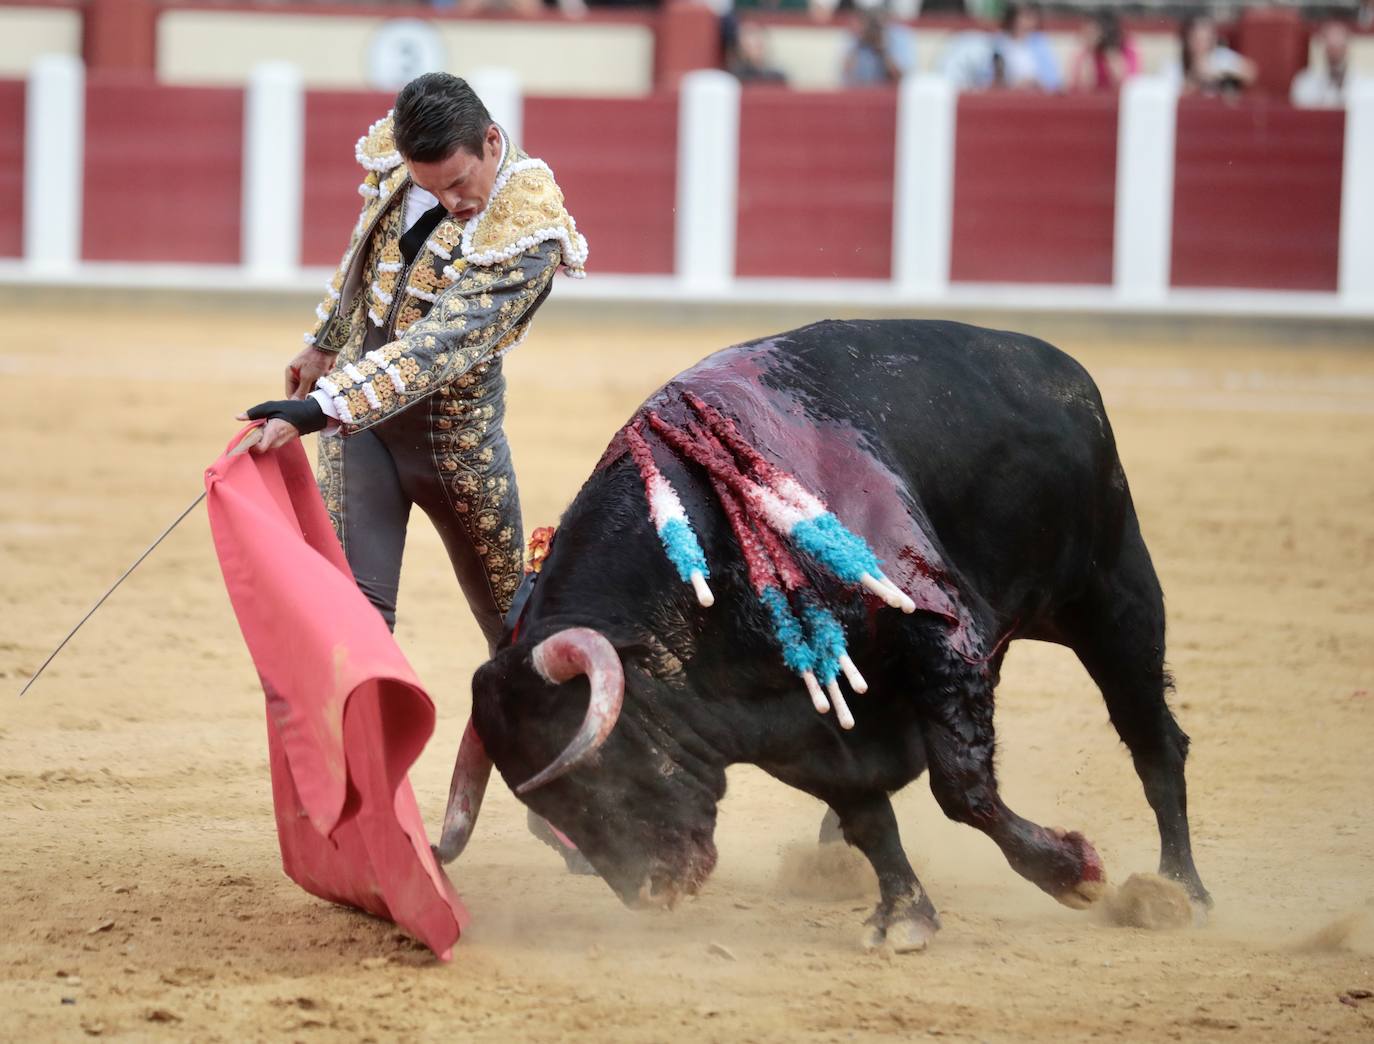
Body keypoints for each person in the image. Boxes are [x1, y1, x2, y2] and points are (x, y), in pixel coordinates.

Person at [240, 73, 588, 652]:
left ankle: (557, 741)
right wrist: (327, 339)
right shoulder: (409, 166)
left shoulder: (529, 228)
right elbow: (367, 242)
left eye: (460, 182)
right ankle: (353, 747)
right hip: (359, 429)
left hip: (454, 443)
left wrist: (320, 406)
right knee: (351, 620)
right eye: (435, 187)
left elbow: (441, 346)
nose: (455, 202)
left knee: (517, 631)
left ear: (492, 143)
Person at [1173, 14, 1256, 96]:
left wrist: (1218, 75)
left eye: (1205, 39)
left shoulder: (1221, 57)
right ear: (1187, 39)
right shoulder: (1177, 64)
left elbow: (1249, 73)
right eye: (1197, 39)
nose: (1201, 44)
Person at [991, 3, 1061, 91]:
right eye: (1025, 17)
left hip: (1037, 94)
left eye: (1032, 18)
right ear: (1013, 18)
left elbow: (1054, 79)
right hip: (1009, 94)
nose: (1029, 22)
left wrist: (1036, 82)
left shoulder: (1040, 42)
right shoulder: (999, 42)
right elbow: (991, 78)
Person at [842, 5, 916, 87]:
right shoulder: (856, 38)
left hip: (892, 93)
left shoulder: (899, 36)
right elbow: (847, 79)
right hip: (864, 92)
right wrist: (858, 45)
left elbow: (902, 79)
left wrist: (883, 50)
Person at [1069, 10, 1139, 91]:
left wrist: (1111, 49)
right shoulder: (1087, 52)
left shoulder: (1127, 46)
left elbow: (1126, 84)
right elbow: (1081, 87)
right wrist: (1089, 51)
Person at [1291, 20, 1351, 109]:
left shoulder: (1365, 86)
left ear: (1346, 48)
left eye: (1339, 48)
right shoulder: (1304, 83)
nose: (1334, 54)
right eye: (1331, 48)